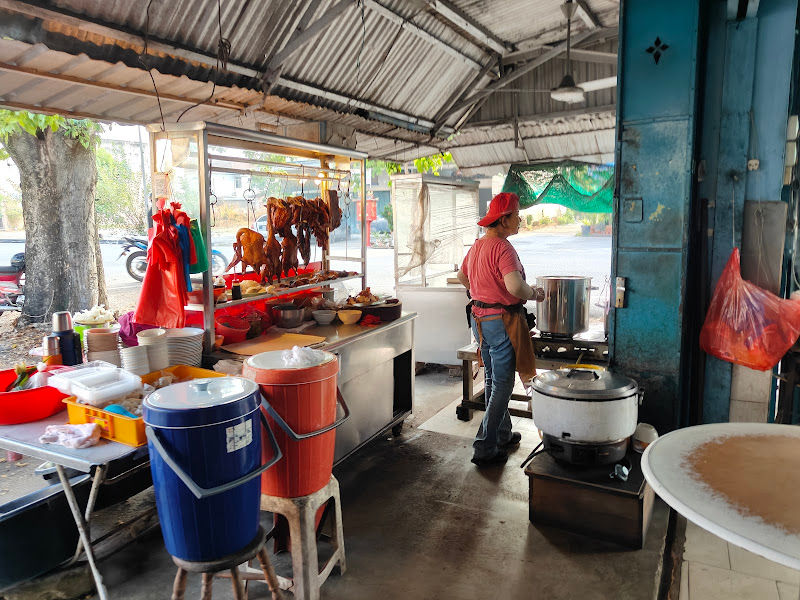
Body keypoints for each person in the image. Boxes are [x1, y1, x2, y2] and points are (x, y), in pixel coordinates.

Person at [457, 192, 543, 467]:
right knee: (504, 384)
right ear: (504, 220)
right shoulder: (502, 248)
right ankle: (485, 446)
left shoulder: (478, 245)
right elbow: (516, 288)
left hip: (479, 317)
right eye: (517, 215)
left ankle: (502, 434)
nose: (520, 220)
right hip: (501, 320)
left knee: (494, 379)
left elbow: (462, 276)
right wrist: (536, 294)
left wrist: (480, 292)